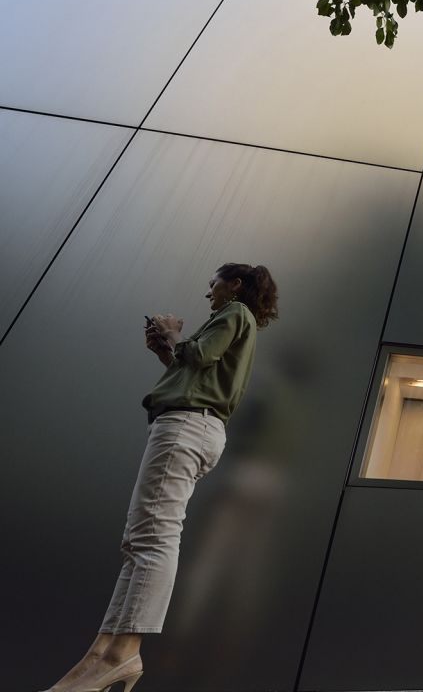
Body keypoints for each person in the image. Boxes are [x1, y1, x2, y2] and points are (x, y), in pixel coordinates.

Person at [41, 264, 279, 692]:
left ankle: (121, 653)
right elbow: (196, 371)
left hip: (187, 426)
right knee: (138, 539)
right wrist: (164, 353)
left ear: (235, 284)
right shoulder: (233, 323)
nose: (209, 291)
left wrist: (172, 333)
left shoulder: (234, 314)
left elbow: (200, 356)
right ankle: (103, 652)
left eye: (214, 283)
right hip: (191, 425)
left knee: (154, 537)